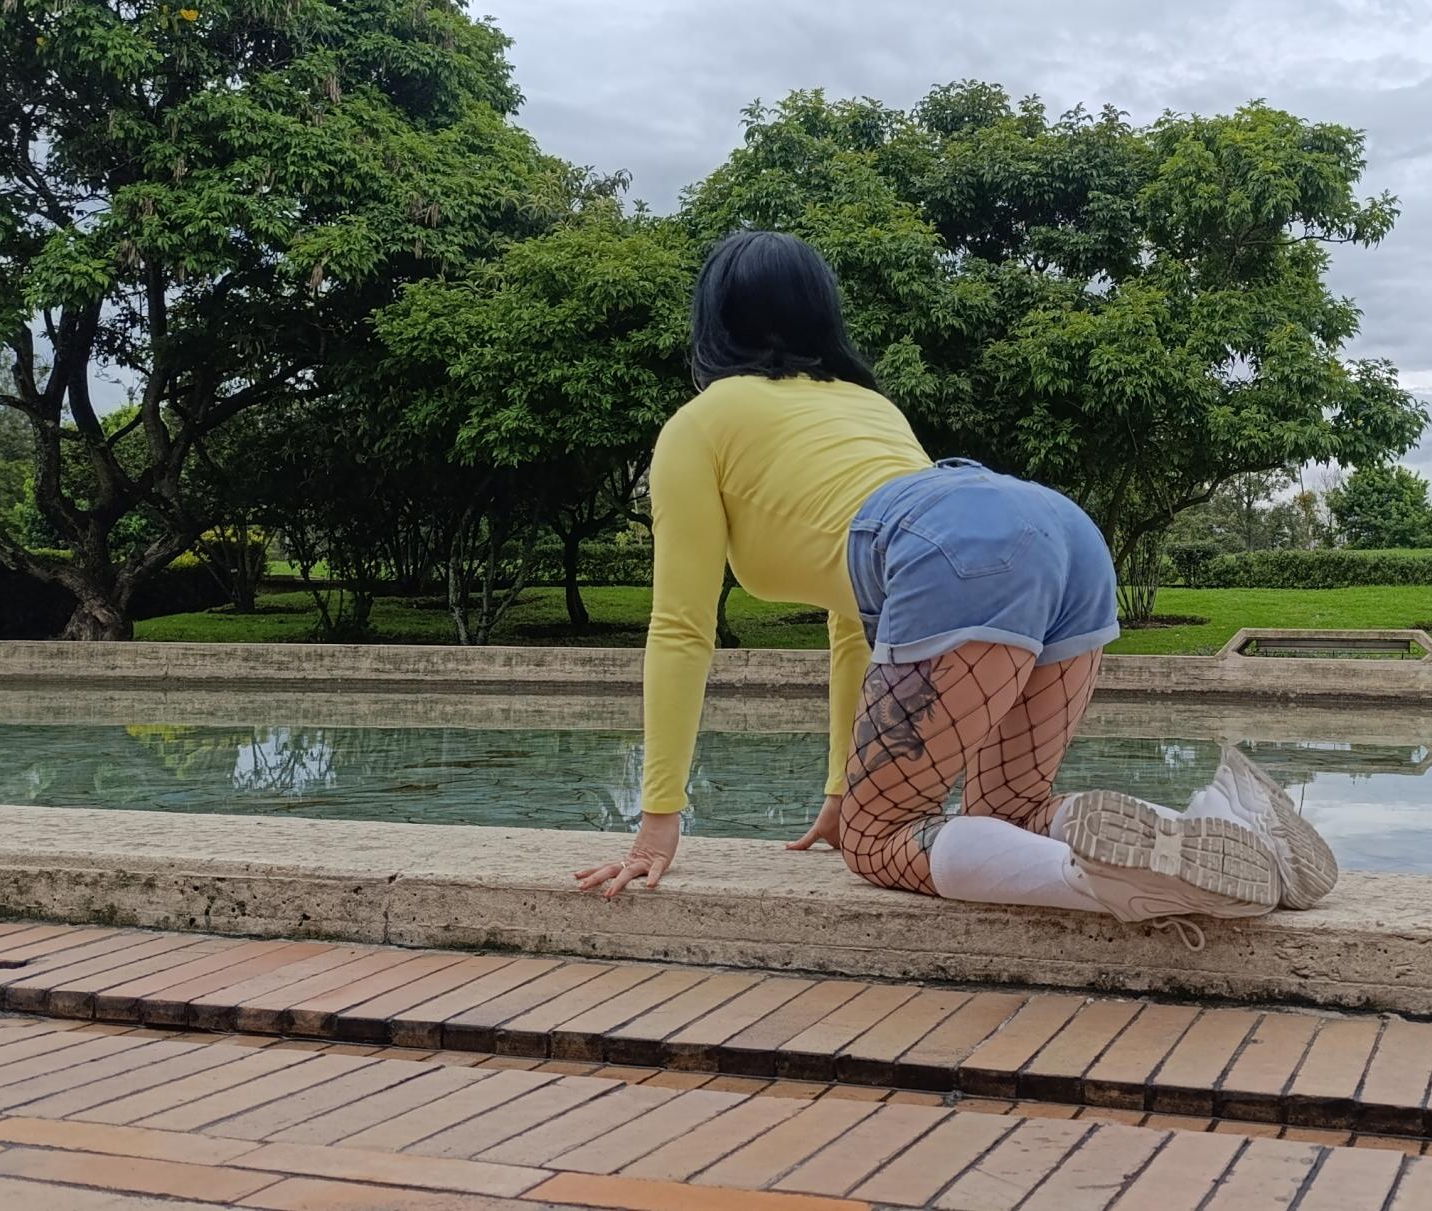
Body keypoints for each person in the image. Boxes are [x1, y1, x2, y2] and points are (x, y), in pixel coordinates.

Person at [572, 231, 1337, 931]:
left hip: (953, 545)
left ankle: (1122, 885)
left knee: (878, 840)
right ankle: (1229, 824)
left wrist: (658, 823)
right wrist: (840, 791)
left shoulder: (698, 424)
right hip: (1062, 531)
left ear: (713, 322)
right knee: (1011, 808)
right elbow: (858, 624)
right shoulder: (870, 405)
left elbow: (682, 627)